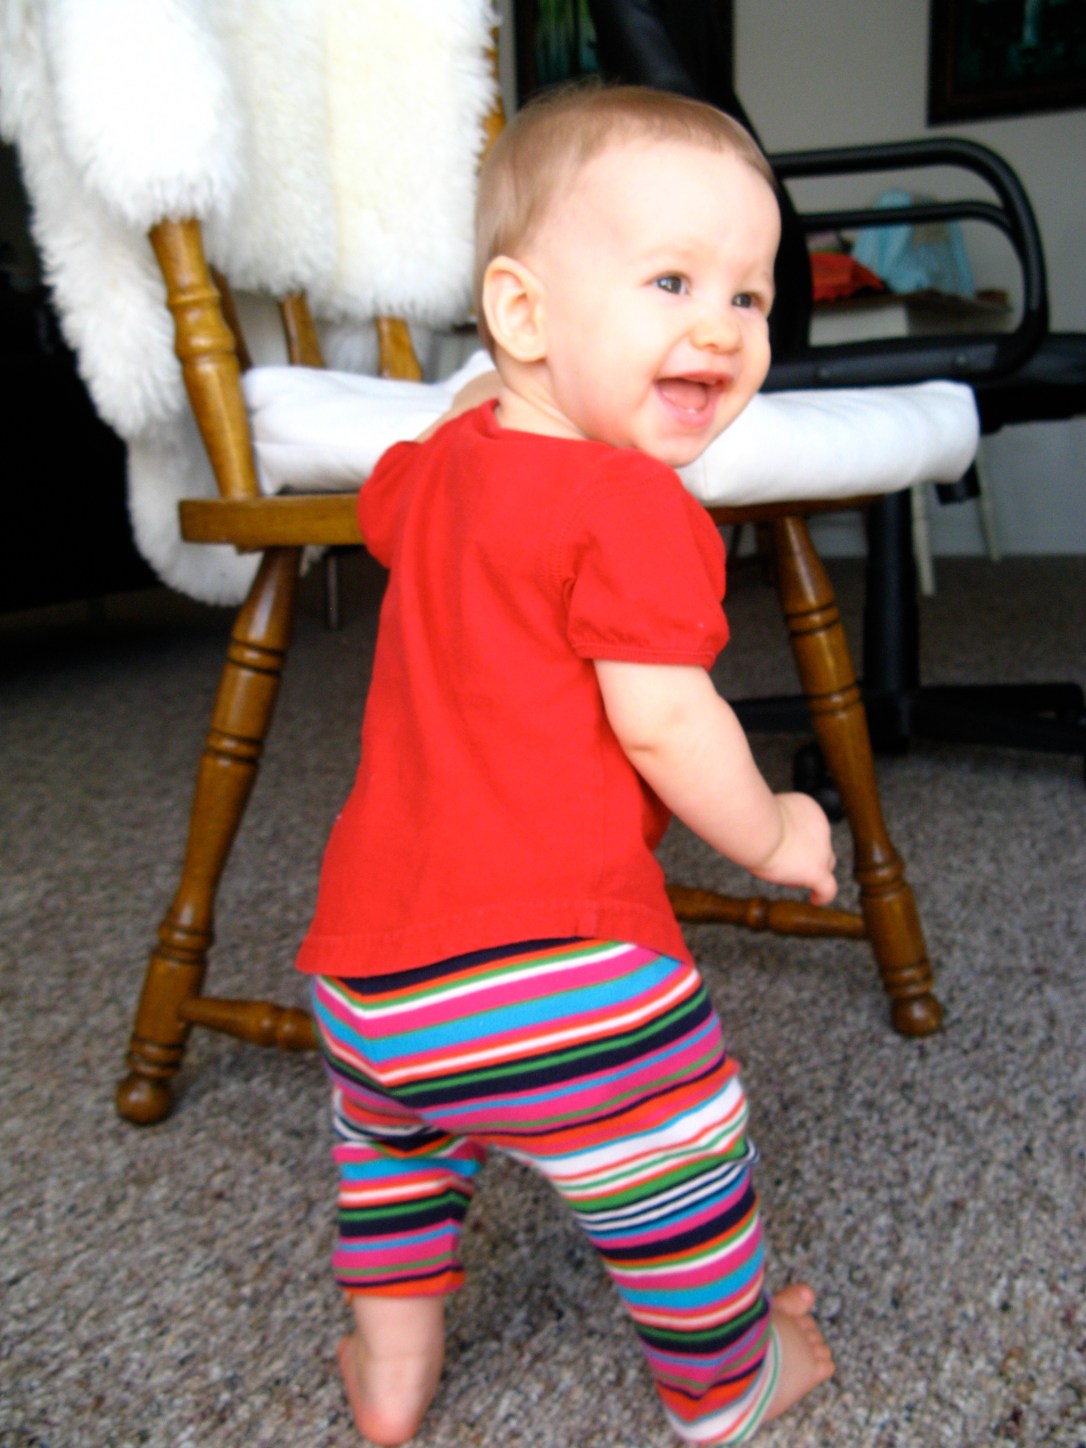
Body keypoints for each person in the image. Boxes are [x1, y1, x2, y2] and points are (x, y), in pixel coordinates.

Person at [296, 82, 837, 1446]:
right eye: (672, 282)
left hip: (365, 979)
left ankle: (392, 1371)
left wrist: (492, 388)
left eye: (752, 295)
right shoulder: (631, 504)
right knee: (681, 1172)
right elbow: (665, 722)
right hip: (562, 977)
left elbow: (398, 485)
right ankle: (730, 1385)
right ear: (525, 315)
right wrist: (774, 831)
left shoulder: (436, 475)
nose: (723, 326)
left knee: (396, 1171)